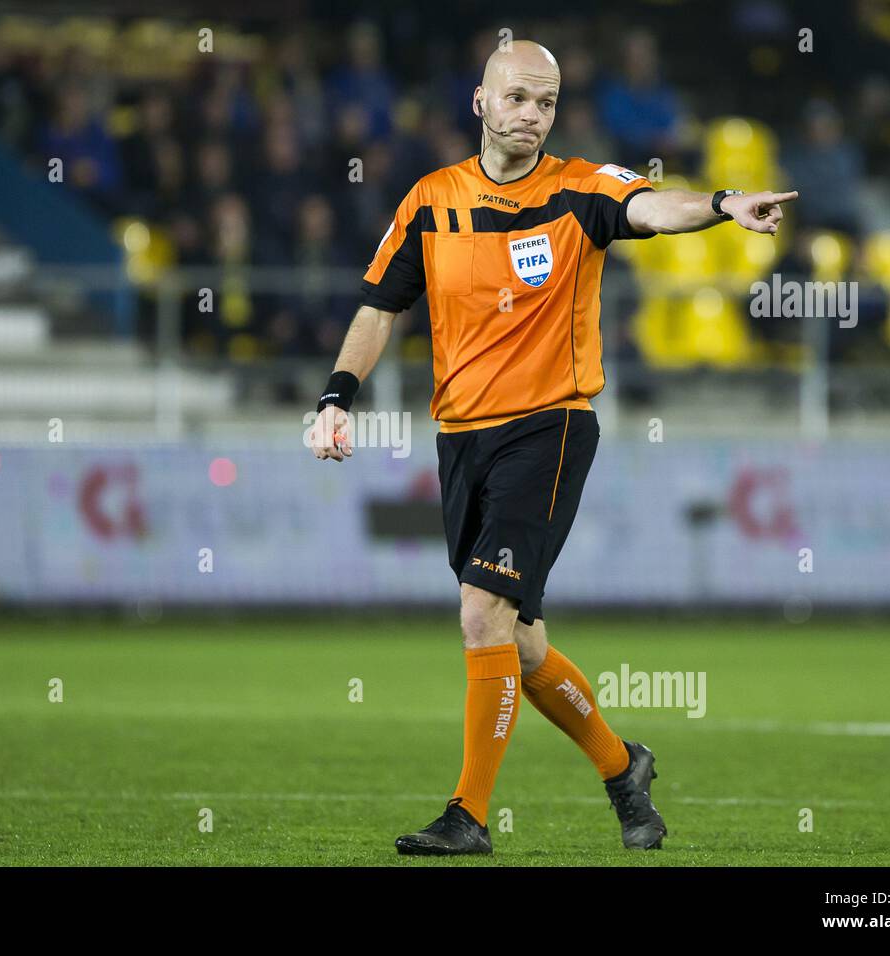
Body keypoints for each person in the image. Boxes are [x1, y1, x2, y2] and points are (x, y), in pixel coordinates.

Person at [307, 39, 797, 856]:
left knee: (480, 610)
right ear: (480, 102)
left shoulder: (579, 190)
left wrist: (718, 202)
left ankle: (468, 815)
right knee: (518, 639)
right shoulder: (431, 200)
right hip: (462, 439)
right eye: (517, 99)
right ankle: (622, 766)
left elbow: (651, 206)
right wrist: (335, 397)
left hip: (553, 426)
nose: (531, 115)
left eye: (546, 103)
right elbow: (379, 306)